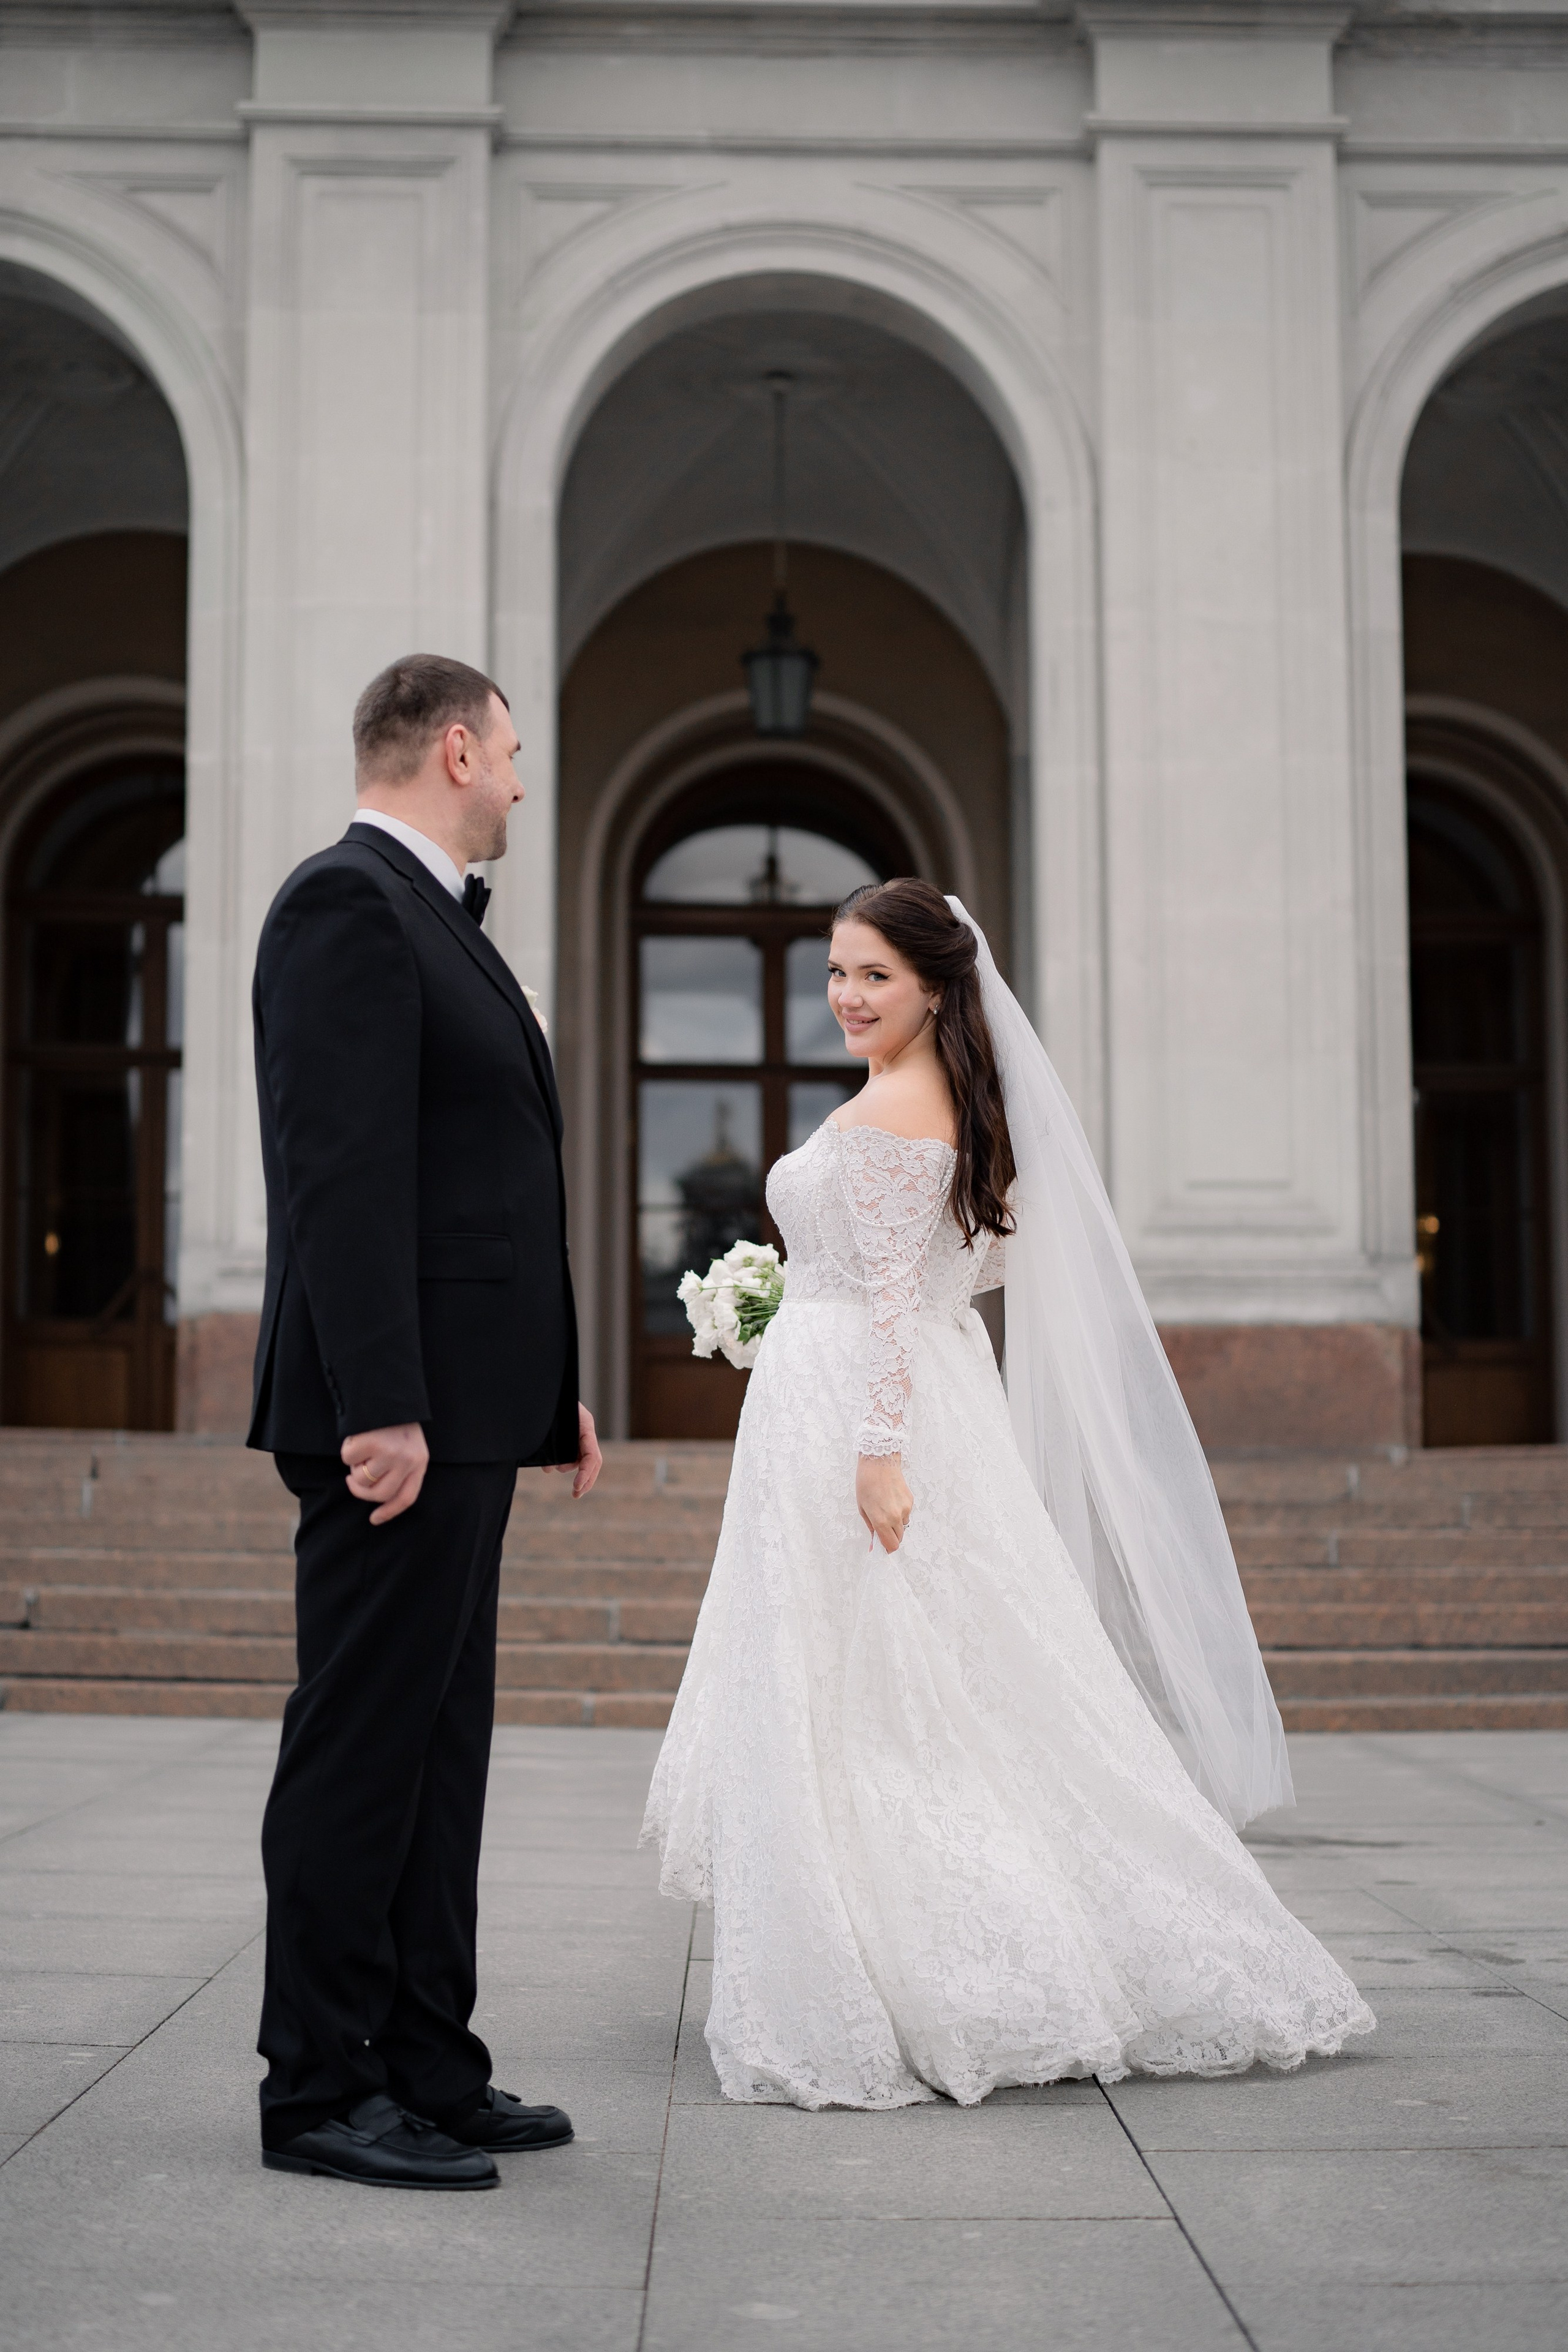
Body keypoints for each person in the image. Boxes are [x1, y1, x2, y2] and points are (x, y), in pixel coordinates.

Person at [643, 878, 1373, 2109]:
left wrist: (877, 1449)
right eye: (835, 972)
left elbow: (888, 1301)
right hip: (857, 1392)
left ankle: (940, 1958)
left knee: (885, 1689)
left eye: (873, 974)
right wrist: (789, 1308)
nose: (847, 996)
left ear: (934, 984)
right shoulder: (925, 1098)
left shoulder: (907, 1104)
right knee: (908, 1681)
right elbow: (951, 1267)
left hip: (862, 1420)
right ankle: (895, 1940)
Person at [249, 654, 602, 2188]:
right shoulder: (346, 907)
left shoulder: (438, 928)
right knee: (362, 1747)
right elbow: (343, 1177)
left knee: (439, 1750)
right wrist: (379, 1403)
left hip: (469, 1409)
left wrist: (548, 1390)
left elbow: (479, 1184)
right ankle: (321, 2087)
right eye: (513, 754)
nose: (524, 782)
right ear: (455, 749)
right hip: (394, 1420)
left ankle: (430, 2064)